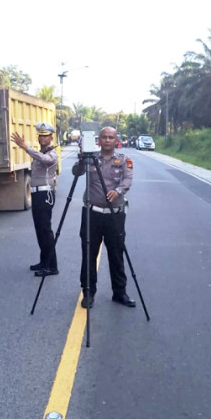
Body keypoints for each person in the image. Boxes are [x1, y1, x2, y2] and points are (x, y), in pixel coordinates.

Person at [72, 126, 135, 309]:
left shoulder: (124, 159)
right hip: (92, 213)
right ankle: (88, 292)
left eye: (111, 137)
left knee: (116, 254)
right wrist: (82, 159)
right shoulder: (90, 158)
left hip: (115, 215)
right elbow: (76, 172)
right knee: (89, 254)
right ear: (98, 140)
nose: (107, 140)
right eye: (104, 137)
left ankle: (120, 293)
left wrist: (118, 191)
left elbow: (128, 179)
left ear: (116, 140)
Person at [11, 123, 59, 277]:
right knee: (40, 231)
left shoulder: (52, 154)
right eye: (40, 136)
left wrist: (25, 147)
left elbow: (44, 160)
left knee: (46, 231)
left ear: (51, 138)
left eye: (45, 136)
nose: (42, 138)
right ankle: (44, 261)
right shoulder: (40, 153)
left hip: (45, 195)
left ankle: (52, 266)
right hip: (37, 195)